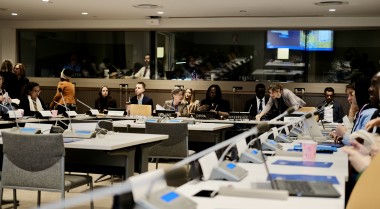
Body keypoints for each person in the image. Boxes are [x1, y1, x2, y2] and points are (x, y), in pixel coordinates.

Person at [332, 75, 378, 145]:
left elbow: (361, 144)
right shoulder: (363, 111)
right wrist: (343, 137)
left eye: (352, 94)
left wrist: (343, 133)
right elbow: (354, 135)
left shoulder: (370, 112)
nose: (350, 98)